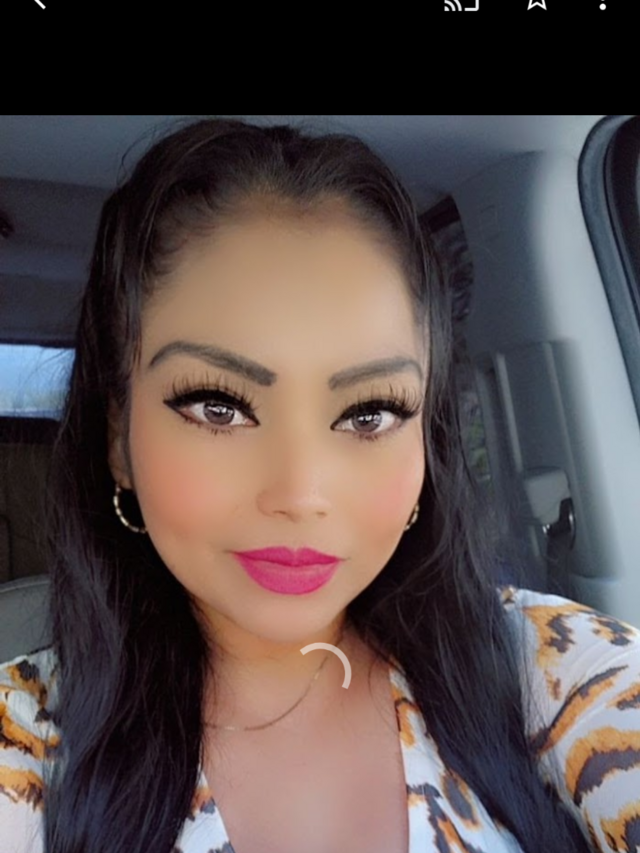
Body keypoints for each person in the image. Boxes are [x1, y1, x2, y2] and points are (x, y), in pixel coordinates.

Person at [0, 117, 638, 853]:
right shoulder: (28, 740)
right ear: (119, 440)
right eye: (218, 406)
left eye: (370, 414)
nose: (301, 493)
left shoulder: (551, 671)